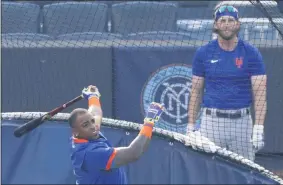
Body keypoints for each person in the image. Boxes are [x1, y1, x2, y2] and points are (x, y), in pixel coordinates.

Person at [187, 3, 266, 161]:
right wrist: (190, 125)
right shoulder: (203, 53)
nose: (227, 24)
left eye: (231, 20)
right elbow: (196, 91)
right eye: (222, 20)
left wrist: (258, 127)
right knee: (209, 172)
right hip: (211, 122)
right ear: (216, 24)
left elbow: (260, 93)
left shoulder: (251, 53)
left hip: (242, 123)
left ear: (238, 24)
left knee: (245, 173)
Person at [69, 85, 165, 184]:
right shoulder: (91, 154)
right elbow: (133, 153)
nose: (93, 126)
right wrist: (149, 122)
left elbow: (95, 113)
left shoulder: (85, 134)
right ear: (75, 132)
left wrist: (93, 97)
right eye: (85, 125)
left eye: (92, 121)